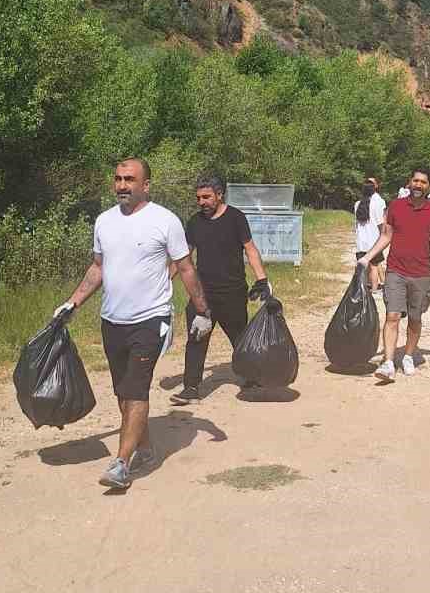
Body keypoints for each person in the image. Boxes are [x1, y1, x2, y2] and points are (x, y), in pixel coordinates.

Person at [57, 157, 211, 491]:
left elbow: (185, 268)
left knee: (136, 387)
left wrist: (203, 311)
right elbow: (98, 268)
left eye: (129, 179)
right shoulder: (104, 222)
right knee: (122, 391)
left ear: (146, 185)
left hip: (151, 319)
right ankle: (145, 447)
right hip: (112, 319)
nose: (122, 185)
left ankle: (120, 463)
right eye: (118, 179)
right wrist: (73, 303)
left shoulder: (165, 221)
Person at [172, 173, 272, 405]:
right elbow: (183, 257)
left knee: (240, 339)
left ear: (219, 195)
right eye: (198, 198)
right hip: (202, 295)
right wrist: (163, 281)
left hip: (232, 293)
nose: (202, 202)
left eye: (206, 197)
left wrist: (261, 280)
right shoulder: (195, 222)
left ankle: (252, 378)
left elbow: (250, 248)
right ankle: (191, 388)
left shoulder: (235, 218)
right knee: (196, 338)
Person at [359, 166, 430, 383]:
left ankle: (407, 355)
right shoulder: (396, 206)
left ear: (428, 186)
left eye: (423, 182)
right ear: (409, 182)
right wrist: (367, 257)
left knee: (415, 319)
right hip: (396, 270)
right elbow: (386, 236)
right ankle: (388, 363)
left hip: (421, 273)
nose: (418, 185)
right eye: (415, 181)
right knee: (393, 315)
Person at [354, 176, 387, 292]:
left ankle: (362, 290)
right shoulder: (377, 203)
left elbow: (356, 224)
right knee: (374, 266)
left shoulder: (357, 204)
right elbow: (381, 223)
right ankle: (374, 290)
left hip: (361, 241)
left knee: (362, 267)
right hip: (373, 240)